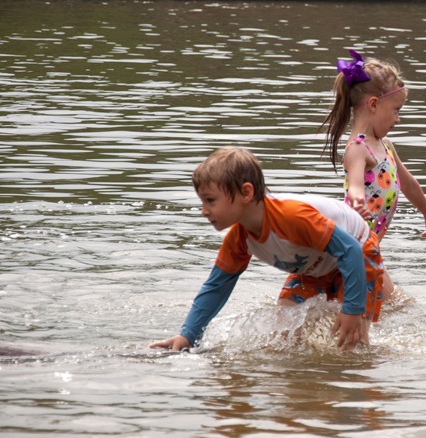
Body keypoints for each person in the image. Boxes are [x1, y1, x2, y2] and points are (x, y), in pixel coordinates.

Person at [149, 147, 383, 352]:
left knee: (353, 343)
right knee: (284, 333)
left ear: (246, 193)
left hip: (359, 253)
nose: (204, 211)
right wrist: (188, 335)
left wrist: (353, 310)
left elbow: (350, 250)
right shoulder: (239, 238)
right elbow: (216, 286)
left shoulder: (292, 217)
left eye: (210, 201)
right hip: (312, 268)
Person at [322, 50, 426, 299]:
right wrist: (357, 201)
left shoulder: (386, 146)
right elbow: (355, 185)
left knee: (387, 303)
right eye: (396, 110)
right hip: (352, 243)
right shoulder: (357, 149)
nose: (398, 119)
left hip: (366, 245)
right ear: (374, 104)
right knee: (396, 303)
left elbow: (409, 184)